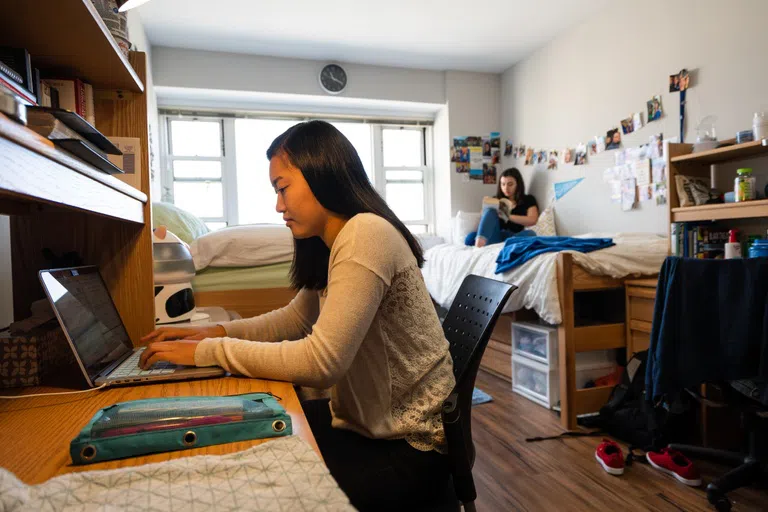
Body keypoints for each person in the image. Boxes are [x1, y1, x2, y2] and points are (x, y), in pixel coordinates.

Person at [139, 121, 457, 510]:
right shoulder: (331, 241)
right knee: (243, 439)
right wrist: (209, 331)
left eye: (282, 187)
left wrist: (209, 351)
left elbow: (322, 363)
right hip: (364, 426)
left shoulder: (366, 234)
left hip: (407, 450)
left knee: (251, 486)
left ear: (321, 172)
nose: (278, 205)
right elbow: (294, 322)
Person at [465, 167, 539, 247]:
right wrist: (485, 212)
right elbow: (483, 218)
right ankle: (478, 248)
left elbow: (533, 220)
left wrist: (507, 216)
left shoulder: (528, 199)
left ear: (518, 184)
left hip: (513, 236)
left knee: (531, 234)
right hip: (495, 235)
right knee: (470, 237)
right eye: (503, 184)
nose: (506, 188)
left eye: (510, 184)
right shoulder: (495, 200)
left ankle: (504, 245)